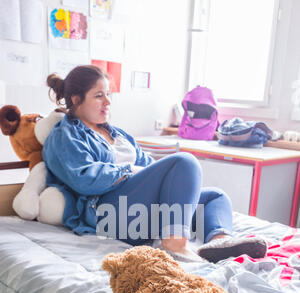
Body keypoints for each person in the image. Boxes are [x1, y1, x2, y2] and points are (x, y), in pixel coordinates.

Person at [42, 65, 267, 263]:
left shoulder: (117, 134)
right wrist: (128, 170)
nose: (108, 102)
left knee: (215, 197)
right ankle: (175, 245)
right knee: (184, 161)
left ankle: (219, 242)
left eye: (108, 94)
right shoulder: (65, 134)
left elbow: (147, 167)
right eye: (99, 95)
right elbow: (84, 179)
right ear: (75, 99)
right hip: (107, 214)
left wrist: (157, 177)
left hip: (138, 211)